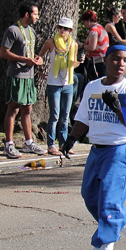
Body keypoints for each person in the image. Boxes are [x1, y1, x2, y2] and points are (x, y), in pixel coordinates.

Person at [61, 44, 126, 250]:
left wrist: (118, 106)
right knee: (91, 198)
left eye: (125, 60)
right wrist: (72, 138)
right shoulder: (92, 87)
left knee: (108, 202)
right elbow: (84, 118)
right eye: (116, 59)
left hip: (120, 149)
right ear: (105, 61)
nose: (121, 64)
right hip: (97, 149)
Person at [0, 3, 46, 159]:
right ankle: (8, 144)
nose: (37, 17)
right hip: (16, 75)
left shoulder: (31, 31)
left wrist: (37, 61)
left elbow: (30, 53)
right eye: (35, 14)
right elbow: (4, 53)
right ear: (27, 14)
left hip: (29, 76)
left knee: (27, 110)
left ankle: (28, 142)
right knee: (13, 109)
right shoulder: (13, 30)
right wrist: (24, 60)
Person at [38, 17, 78, 156]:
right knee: (54, 115)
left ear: (70, 31)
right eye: (60, 27)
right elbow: (40, 57)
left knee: (65, 116)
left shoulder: (73, 45)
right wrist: (40, 72)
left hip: (68, 83)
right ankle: (51, 144)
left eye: (65, 29)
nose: (62, 31)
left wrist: (79, 62)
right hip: (53, 83)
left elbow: (74, 64)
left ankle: (63, 144)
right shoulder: (51, 42)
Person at [81, 10, 109, 79]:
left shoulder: (94, 30)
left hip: (97, 61)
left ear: (88, 20)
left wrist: (81, 45)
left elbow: (92, 47)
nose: (84, 24)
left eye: (84, 21)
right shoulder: (101, 28)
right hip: (103, 60)